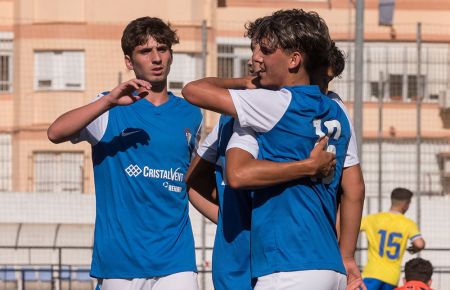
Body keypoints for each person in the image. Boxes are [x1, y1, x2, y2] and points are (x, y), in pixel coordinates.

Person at [183, 9, 364, 290]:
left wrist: (244, 84)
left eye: (265, 51)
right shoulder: (337, 111)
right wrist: (347, 255)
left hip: (289, 265)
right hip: (331, 267)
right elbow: (355, 189)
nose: (255, 58)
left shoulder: (272, 104)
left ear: (294, 60)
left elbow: (193, 90)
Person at [47, 16, 202, 290]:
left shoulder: (191, 113)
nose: (157, 58)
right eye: (145, 51)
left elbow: (188, 180)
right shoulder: (109, 108)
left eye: (163, 49)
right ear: (129, 61)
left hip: (176, 259)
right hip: (120, 262)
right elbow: (55, 133)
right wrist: (108, 101)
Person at [186, 59, 336, 290]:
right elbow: (194, 181)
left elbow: (347, 190)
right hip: (239, 259)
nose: (321, 89)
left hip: (281, 256)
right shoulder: (231, 120)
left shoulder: (317, 123)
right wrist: (227, 217)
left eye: (326, 82)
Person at [361, 188, 426, 290]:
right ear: (405, 205)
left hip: (372, 273)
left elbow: (351, 226)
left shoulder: (372, 219)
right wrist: (415, 248)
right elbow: (419, 244)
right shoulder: (408, 223)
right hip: (392, 277)